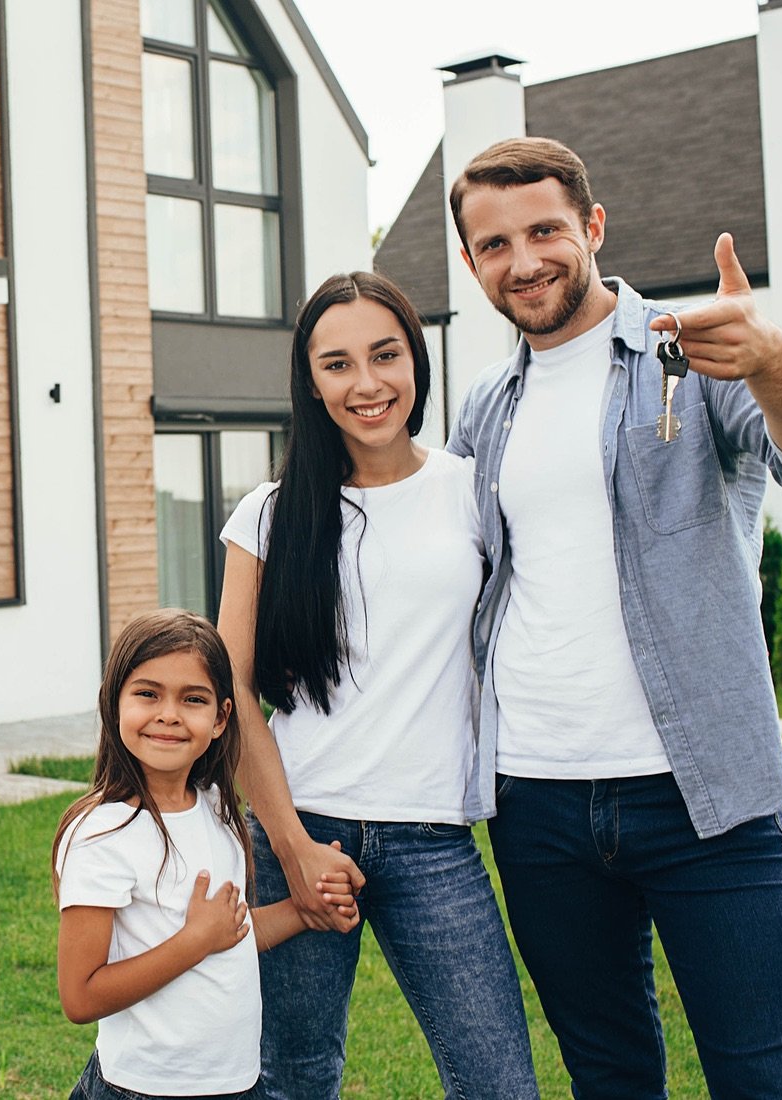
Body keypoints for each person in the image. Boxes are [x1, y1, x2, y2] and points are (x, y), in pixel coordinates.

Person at [446, 136, 782, 1100]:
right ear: (471, 264)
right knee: (609, 1077)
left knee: (767, 1081)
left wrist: (773, 360)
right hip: (539, 802)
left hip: (705, 798)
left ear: (592, 228)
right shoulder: (484, 410)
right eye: (494, 244)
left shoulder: (694, 356)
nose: (525, 261)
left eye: (545, 229)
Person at [216, 272, 539, 1100]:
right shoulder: (268, 514)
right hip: (301, 828)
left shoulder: (473, 490)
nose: (366, 384)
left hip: (433, 838)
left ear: (415, 361)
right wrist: (290, 846)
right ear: (310, 380)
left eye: (385, 355)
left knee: (499, 1082)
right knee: (290, 1078)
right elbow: (232, 692)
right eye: (337, 364)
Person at [53, 609, 358, 1100]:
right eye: (147, 693)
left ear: (220, 719)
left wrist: (305, 910)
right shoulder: (103, 833)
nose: (169, 714)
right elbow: (80, 995)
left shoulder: (217, 810)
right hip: (143, 1088)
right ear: (114, 704)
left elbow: (229, 933)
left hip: (238, 1085)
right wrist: (195, 941)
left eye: (192, 699)